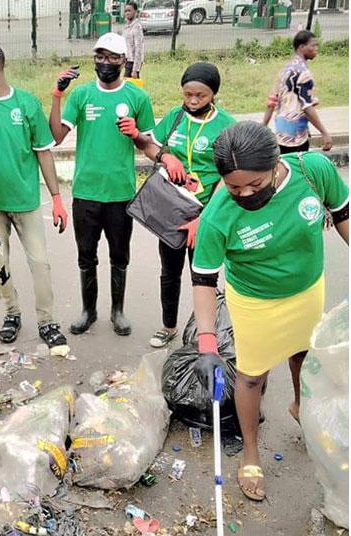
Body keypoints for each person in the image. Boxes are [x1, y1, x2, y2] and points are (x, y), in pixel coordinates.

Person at [191, 121, 348, 501]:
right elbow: (203, 280)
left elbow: (344, 217)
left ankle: (300, 408)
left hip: (307, 289)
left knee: (303, 358)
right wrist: (207, 343)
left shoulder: (314, 172)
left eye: (255, 185)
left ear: (277, 162)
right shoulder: (218, 214)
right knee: (250, 376)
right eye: (234, 187)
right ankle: (250, 452)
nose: (244, 193)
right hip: (256, 301)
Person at [49, 32, 155, 336]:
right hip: (86, 193)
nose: (105, 63)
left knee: (119, 255)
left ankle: (117, 311)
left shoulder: (137, 97)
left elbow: (149, 145)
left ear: (123, 60)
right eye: (100, 57)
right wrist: (57, 95)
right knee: (86, 256)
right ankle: (89, 311)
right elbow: (56, 137)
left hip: (121, 193)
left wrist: (136, 134)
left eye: (111, 57)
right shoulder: (81, 95)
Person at [0, 41, 68, 348]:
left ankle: (47, 321)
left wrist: (58, 198)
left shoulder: (26, 104)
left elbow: (44, 152)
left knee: (40, 263)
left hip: (26, 202)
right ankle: (11, 314)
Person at [141, 62, 236, 348]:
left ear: (214, 94)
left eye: (201, 96)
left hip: (207, 214)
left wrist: (203, 219)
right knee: (169, 272)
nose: (193, 101)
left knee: (203, 276)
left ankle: (205, 330)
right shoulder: (174, 116)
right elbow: (148, 145)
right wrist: (165, 157)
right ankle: (168, 326)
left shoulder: (227, 126)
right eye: (188, 94)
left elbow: (228, 177)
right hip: (171, 210)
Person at [262, 30, 332, 154]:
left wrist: (263, 125)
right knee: (298, 170)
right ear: (301, 47)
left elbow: (272, 100)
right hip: (296, 137)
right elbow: (307, 108)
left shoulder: (285, 69)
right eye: (313, 45)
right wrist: (324, 132)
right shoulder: (304, 73)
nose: (316, 49)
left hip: (281, 132)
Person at [122, 2, 144, 79]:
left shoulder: (136, 27)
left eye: (129, 11)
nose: (127, 13)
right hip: (127, 60)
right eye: (126, 11)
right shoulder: (127, 26)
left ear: (135, 12)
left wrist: (135, 69)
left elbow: (139, 48)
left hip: (133, 61)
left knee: (129, 85)